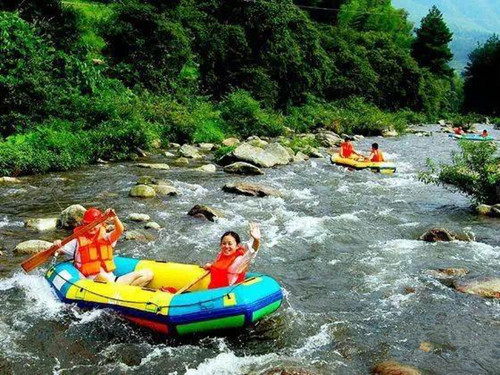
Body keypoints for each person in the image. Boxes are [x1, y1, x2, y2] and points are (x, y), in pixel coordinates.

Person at [54, 207, 154, 286]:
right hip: (92, 283)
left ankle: (123, 294)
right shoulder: (76, 241)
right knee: (102, 277)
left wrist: (114, 217)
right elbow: (58, 250)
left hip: (113, 280)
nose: (92, 227)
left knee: (148, 274)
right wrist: (57, 244)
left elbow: (119, 230)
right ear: (84, 225)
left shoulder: (106, 237)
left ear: (101, 224)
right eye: (88, 224)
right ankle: (122, 291)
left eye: (95, 224)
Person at [203, 223, 261, 289]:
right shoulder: (221, 254)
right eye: (224, 243)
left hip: (227, 294)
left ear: (237, 246)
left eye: (230, 244)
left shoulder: (239, 261)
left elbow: (251, 252)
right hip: (213, 291)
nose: (226, 246)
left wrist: (256, 240)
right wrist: (211, 266)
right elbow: (220, 268)